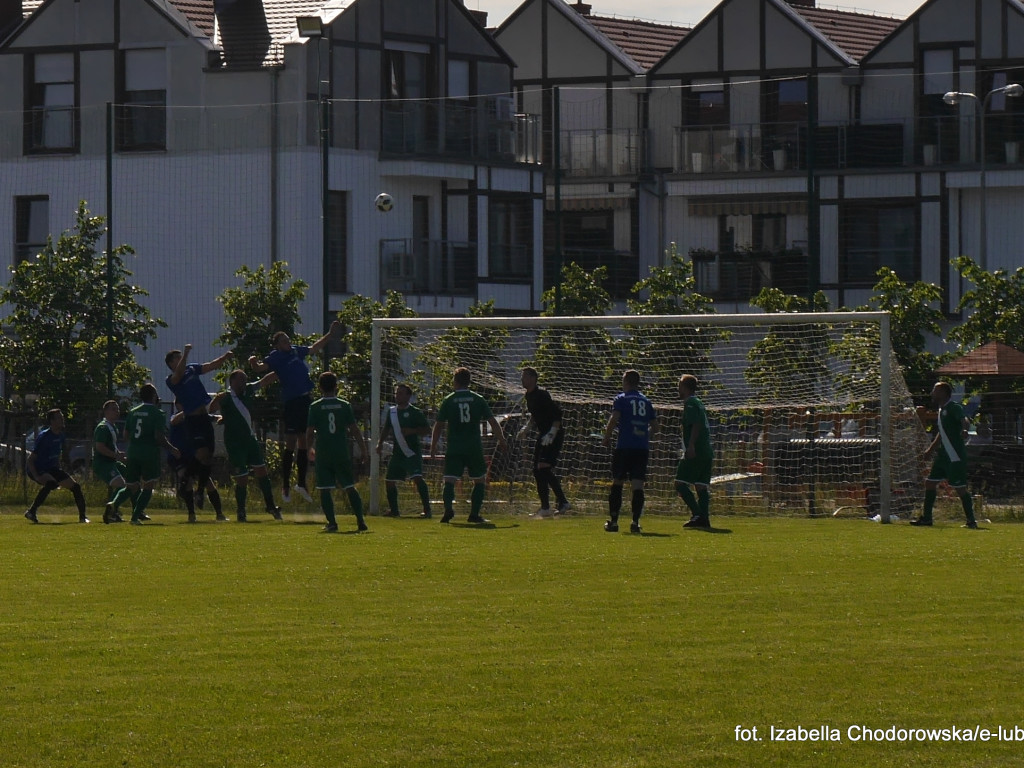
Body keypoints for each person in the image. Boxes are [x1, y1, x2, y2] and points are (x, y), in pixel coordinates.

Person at [249, 321, 341, 504]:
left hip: (306, 400)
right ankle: (285, 486)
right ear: (276, 345)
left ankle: (301, 484)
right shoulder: (275, 357)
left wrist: (330, 335)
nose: (287, 343)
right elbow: (261, 369)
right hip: (292, 403)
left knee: (305, 440)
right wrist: (253, 363)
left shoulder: (295, 351)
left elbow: (314, 348)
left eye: (288, 340)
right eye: (283, 341)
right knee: (291, 442)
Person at [430, 366, 507, 525]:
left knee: (449, 480)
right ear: (469, 381)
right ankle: (474, 514)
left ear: (455, 382)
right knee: (479, 480)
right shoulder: (478, 399)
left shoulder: (449, 400)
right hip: (473, 447)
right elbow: (493, 422)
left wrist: (433, 446)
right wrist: (502, 439)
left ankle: (448, 509)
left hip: (454, 447)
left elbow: (438, 425)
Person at [165, 344, 233, 517]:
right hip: (193, 420)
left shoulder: (191, 369)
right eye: (177, 358)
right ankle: (188, 484)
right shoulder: (172, 379)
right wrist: (186, 352)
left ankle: (200, 491)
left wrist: (224, 358)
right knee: (202, 453)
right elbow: (179, 374)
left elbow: (209, 366)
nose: (181, 360)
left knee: (208, 457)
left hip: (203, 417)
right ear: (171, 363)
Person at [209, 369, 283, 523]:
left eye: (245, 379)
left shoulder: (248, 390)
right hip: (235, 442)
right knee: (242, 478)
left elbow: (264, 381)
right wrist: (217, 402)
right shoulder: (227, 397)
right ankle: (241, 510)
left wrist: (279, 369)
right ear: (232, 382)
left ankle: (271, 506)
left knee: (262, 472)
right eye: (241, 379)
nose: (244, 382)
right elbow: (211, 409)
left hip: (250, 440)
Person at [306, 371, 368, 533]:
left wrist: (308, 449)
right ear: (336, 386)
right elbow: (354, 430)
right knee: (349, 486)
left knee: (325, 488)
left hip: (324, 453)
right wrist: (363, 449)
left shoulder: (315, 407)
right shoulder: (344, 405)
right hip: (341, 451)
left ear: (320, 387)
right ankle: (360, 520)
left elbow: (310, 431)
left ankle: (332, 523)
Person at [911, 381, 978, 529]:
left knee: (960, 488)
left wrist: (965, 429)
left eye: (935, 390)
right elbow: (942, 434)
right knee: (929, 483)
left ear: (943, 392)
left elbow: (964, 419)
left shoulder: (953, 407)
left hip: (955, 455)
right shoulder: (941, 410)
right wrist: (930, 450)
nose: (932, 393)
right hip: (943, 456)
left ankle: (971, 521)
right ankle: (927, 518)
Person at [114, 384, 180, 525]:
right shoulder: (158, 413)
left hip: (132, 452)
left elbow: (126, 436)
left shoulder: (133, 412)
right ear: (154, 396)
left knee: (131, 485)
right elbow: (158, 437)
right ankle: (135, 517)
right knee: (148, 485)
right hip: (149, 453)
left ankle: (113, 505)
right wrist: (172, 449)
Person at [602, 369, 657, 534]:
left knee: (618, 481)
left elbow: (614, 418)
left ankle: (614, 521)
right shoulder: (646, 401)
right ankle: (635, 522)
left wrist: (607, 436)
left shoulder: (621, 399)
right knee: (637, 485)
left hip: (624, 446)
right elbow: (655, 427)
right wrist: (643, 435)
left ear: (625, 381)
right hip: (641, 448)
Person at [375, 382, 432, 518]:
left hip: (411, 452)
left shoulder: (415, 412)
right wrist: (380, 443)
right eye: (396, 393)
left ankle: (427, 510)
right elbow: (386, 428)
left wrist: (412, 431)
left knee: (417, 479)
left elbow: (427, 430)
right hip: (398, 453)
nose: (397, 396)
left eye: (400, 393)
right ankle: (394, 510)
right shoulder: (392, 411)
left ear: (408, 396)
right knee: (389, 481)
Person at [520, 367, 570, 518]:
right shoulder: (528, 396)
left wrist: (552, 432)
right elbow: (535, 415)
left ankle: (563, 502)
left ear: (533, 378)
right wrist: (527, 428)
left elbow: (557, 414)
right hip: (543, 434)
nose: (522, 379)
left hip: (552, 435)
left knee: (543, 468)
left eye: (524, 376)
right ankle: (546, 508)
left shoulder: (542, 394)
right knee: (537, 470)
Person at [24, 408, 89, 524]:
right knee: (51, 483)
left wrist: (67, 470)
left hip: (51, 469)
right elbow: (30, 460)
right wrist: (37, 476)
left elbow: (62, 456)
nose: (62, 419)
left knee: (76, 487)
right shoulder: (44, 437)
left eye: (62, 417)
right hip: (37, 468)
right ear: (52, 421)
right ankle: (31, 512)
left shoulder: (61, 436)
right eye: (59, 418)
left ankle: (83, 517)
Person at [168, 401, 226, 522]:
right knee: (187, 481)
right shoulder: (176, 416)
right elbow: (174, 421)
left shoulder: (195, 417)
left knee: (208, 483)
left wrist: (221, 417)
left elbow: (211, 417)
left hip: (193, 456)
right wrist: (188, 408)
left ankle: (219, 514)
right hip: (180, 457)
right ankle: (191, 514)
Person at [676, 374, 713, 529]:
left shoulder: (690, 403)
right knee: (701, 486)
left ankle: (698, 515)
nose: (678, 388)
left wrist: (690, 446)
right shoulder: (699, 402)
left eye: (679, 385)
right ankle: (704, 519)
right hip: (707, 450)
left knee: (680, 483)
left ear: (684, 387)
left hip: (696, 449)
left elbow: (696, 424)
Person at [93, 400, 129, 524]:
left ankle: (136, 510)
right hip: (103, 464)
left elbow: (112, 446)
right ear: (106, 411)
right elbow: (100, 447)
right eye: (113, 409)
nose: (117, 412)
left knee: (132, 480)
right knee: (121, 485)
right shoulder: (103, 427)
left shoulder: (112, 426)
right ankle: (110, 511)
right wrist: (115, 456)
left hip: (112, 462)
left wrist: (119, 454)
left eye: (117, 409)